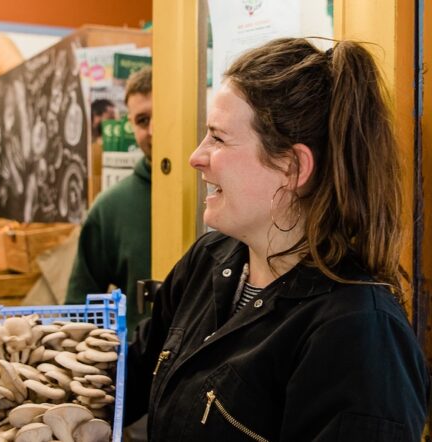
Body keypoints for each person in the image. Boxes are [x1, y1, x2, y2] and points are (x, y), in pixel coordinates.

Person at [124, 38, 430, 441]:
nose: (195, 156)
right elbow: (132, 374)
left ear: (292, 167)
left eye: (217, 138)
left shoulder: (359, 334)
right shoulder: (210, 259)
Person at [65, 66, 152, 332]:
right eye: (143, 120)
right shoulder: (111, 208)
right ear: (130, 125)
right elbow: (79, 310)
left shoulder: (221, 194)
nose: (154, 130)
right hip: (141, 368)